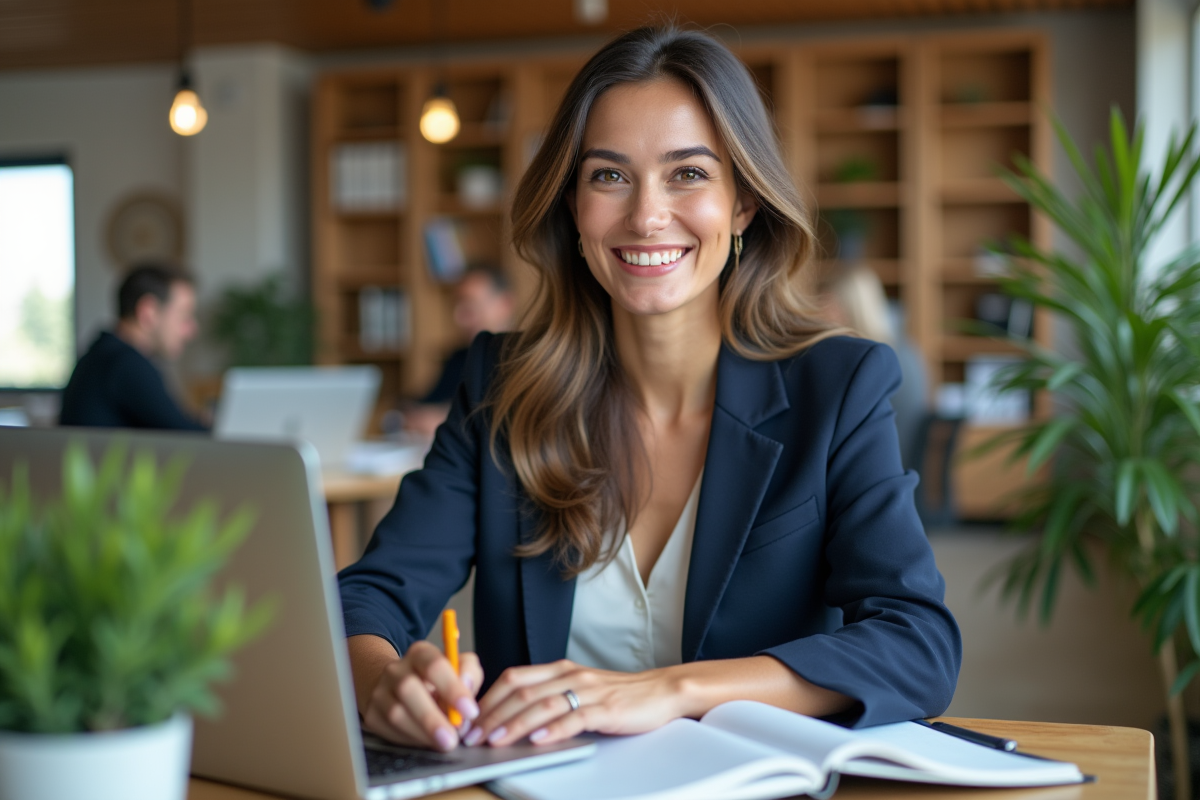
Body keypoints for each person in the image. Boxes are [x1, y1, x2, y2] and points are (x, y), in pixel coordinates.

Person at [339, 26, 960, 755]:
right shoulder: (501, 386)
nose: (645, 215)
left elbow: (917, 644)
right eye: (608, 176)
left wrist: (674, 689)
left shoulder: (838, 386)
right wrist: (385, 680)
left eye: (688, 174)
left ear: (743, 206)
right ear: (572, 206)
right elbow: (365, 598)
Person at [59, 263, 207, 431]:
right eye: (184, 316)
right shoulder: (126, 364)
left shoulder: (103, 354)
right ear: (148, 312)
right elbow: (190, 437)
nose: (193, 330)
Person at [819, 264, 929, 470]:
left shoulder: (870, 363)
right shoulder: (903, 350)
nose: (820, 317)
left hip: (883, 467)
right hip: (899, 464)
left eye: (828, 305)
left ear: (848, 308)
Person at [402, 267, 516, 438]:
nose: (458, 317)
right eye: (456, 306)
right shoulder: (460, 357)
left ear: (504, 304)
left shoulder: (526, 360)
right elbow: (421, 405)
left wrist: (450, 418)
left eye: (470, 306)